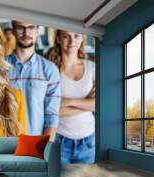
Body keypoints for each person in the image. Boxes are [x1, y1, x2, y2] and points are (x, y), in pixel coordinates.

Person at [45, 30, 96, 164]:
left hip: (88, 141)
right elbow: (51, 111)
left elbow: (99, 104)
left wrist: (66, 101)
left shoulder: (92, 68)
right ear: (58, 39)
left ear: (82, 39)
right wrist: (87, 104)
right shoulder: (51, 69)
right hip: (59, 139)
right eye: (66, 36)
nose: (72, 41)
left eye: (76, 36)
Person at [6, 20, 61, 140]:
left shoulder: (50, 69)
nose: (26, 32)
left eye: (31, 27)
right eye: (21, 28)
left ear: (37, 31)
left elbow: (52, 116)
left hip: (35, 143)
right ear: (14, 30)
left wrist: (44, 149)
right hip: (4, 142)